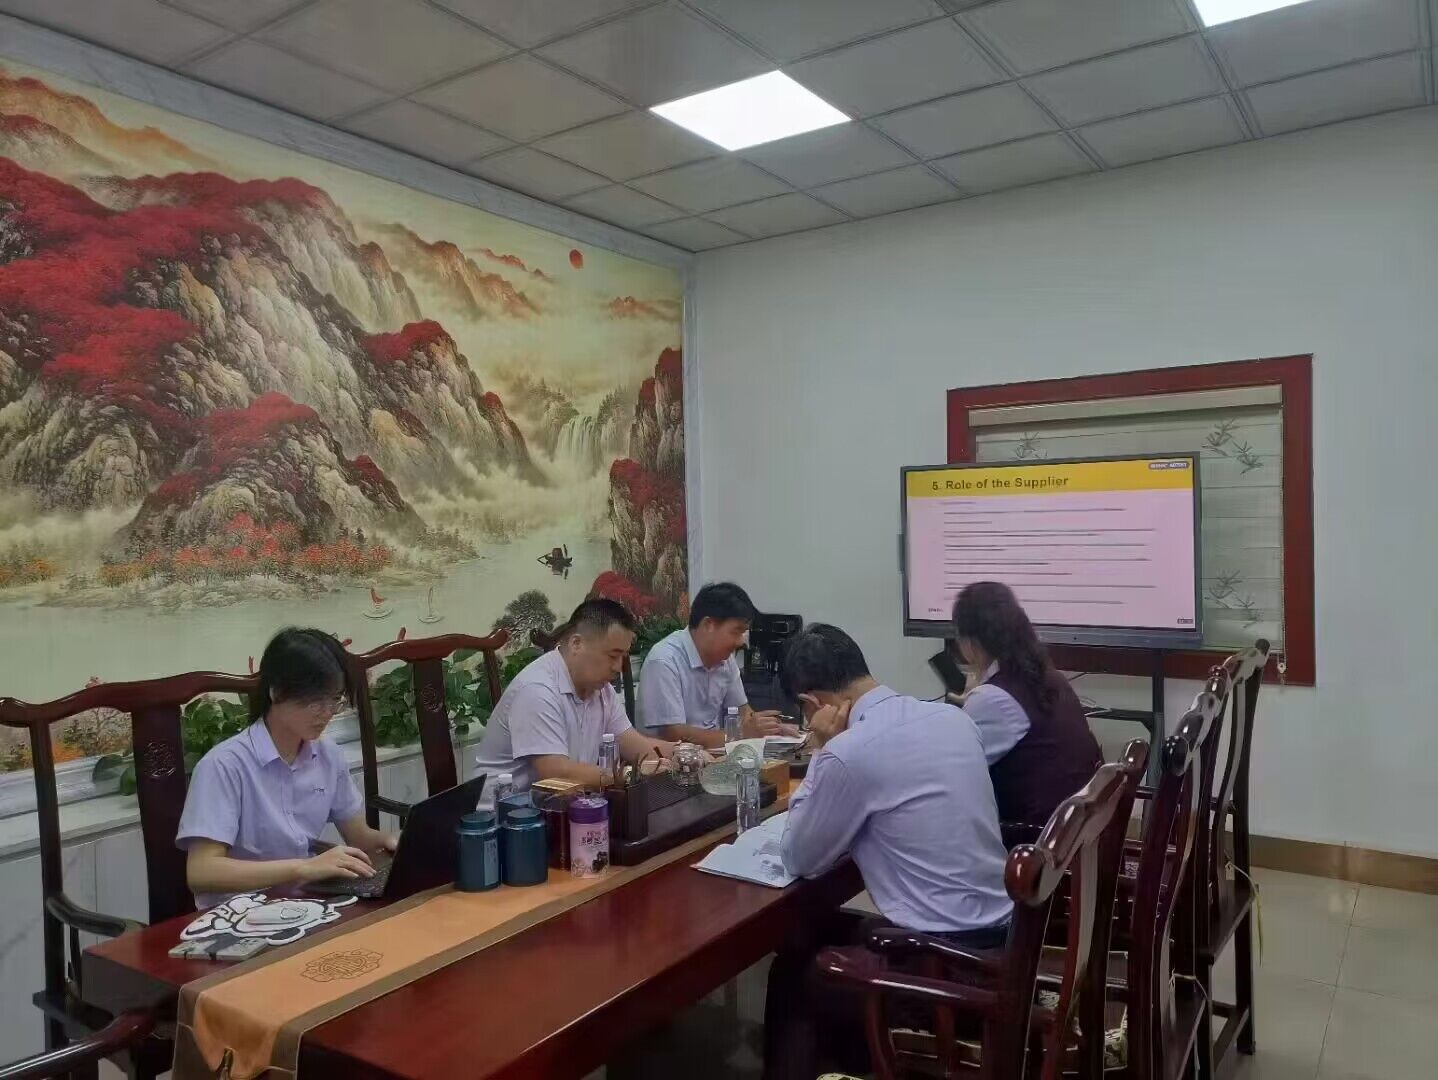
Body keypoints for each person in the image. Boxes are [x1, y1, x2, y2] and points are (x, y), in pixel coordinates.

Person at [766, 623, 1011, 1079]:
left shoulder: (849, 752)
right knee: (816, 931)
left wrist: (821, 749)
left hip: (947, 971)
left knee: (798, 975)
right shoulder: (954, 719)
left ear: (812, 703)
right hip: (1004, 942)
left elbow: (799, 856)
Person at [177, 628, 397, 910]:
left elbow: (360, 837)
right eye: (315, 701)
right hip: (240, 913)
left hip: (305, 904)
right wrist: (303, 868)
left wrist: (391, 841)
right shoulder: (224, 766)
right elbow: (202, 872)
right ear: (276, 692)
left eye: (335, 699)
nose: (327, 712)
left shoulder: (327, 754)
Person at [474, 598, 676, 803]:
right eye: (612, 656)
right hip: (504, 814)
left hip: (561, 805)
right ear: (576, 644)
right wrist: (630, 774)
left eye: (623, 656)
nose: (618, 667)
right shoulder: (537, 689)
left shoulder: (601, 689)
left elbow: (633, 744)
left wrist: (682, 753)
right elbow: (556, 774)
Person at [953, 580, 1104, 827]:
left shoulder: (993, 699)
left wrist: (975, 697)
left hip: (1031, 838)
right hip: (1072, 832)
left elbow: (951, 771)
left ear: (970, 644)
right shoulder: (1050, 676)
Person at [636, 581, 798, 749]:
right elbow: (674, 735)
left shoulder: (724, 659)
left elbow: (743, 713)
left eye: (743, 633)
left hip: (715, 757)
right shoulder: (664, 661)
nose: (741, 642)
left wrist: (771, 728)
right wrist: (740, 734)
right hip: (673, 761)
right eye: (736, 631)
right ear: (708, 625)